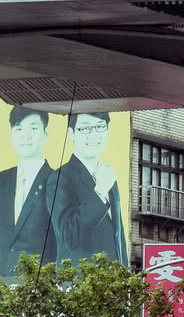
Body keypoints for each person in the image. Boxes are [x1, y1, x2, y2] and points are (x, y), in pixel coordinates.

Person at [0, 107, 63, 276]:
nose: (25, 136)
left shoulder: (58, 181)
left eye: (33, 128)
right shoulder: (1, 180)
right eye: (19, 128)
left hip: (38, 288)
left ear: (46, 132)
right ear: (11, 134)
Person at [55, 111, 124, 263]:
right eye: (85, 128)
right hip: (78, 281)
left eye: (100, 127)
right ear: (71, 134)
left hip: (113, 281)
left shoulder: (107, 175)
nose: (94, 135)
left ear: (107, 130)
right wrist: (99, 192)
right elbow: (69, 237)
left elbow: (118, 237)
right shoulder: (60, 177)